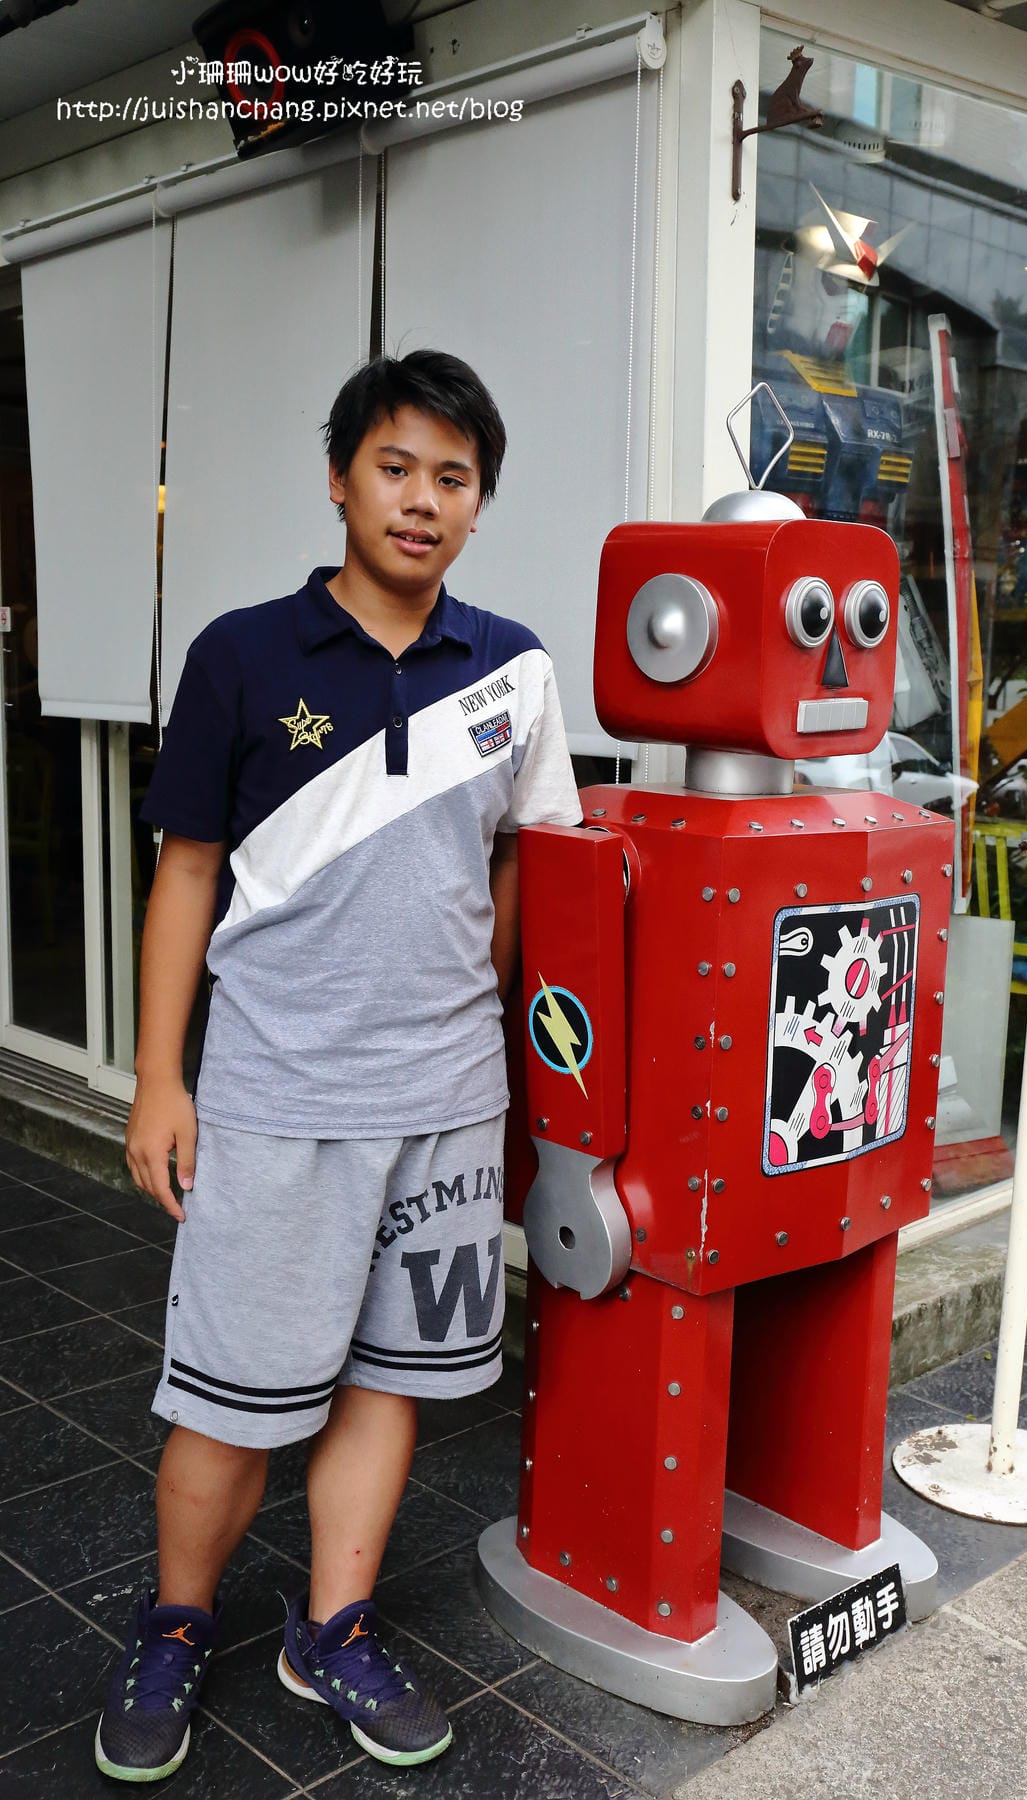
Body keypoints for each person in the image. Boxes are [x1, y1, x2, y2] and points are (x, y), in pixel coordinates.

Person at [95, 350, 582, 1783]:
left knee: (390, 1385)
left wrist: (475, 1029)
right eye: (396, 468)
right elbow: (184, 874)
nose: (422, 500)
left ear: (479, 504)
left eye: (453, 477)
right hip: (276, 1098)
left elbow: (514, 865)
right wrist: (158, 1079)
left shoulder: (515, 669)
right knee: (231, 1395)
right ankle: (177, 1626)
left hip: (443, 1108)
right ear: (339, 477)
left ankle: (334, 1627)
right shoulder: (242, 655)